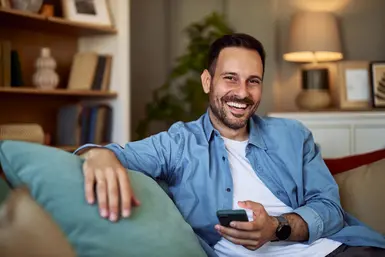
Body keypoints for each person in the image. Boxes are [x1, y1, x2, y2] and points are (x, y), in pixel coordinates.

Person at [74, 33, 385, 257]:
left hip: (332, 251)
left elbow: (330, 209)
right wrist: (98, 154)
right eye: (230, 78)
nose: (242, 92)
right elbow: (113, 154)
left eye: (253, 80)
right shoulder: (179, 142)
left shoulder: (294, 135)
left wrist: (276, 227)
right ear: (208, 82)